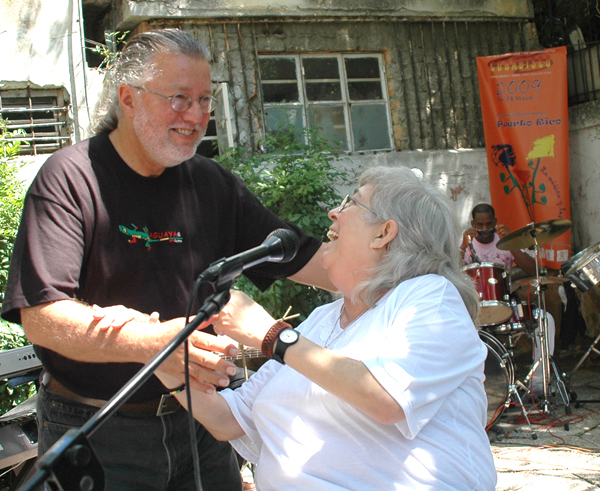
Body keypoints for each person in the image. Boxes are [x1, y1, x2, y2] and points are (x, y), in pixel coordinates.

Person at [1, 29, 333, 491]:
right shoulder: (72, 179)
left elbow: (312, 260)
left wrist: (402, 262)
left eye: (205, 99)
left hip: (202, 422)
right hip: (99, 426)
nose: (196, 116)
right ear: (128, 98)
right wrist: (153, 341)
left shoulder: (210, 184)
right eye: (179, 99)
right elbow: (40, 317)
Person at [155, 166, 498, 490]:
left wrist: (271, 335)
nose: (334, 212)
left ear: (384, 233)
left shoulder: (430, 296)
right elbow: (228, 420)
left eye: (351, 201)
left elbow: (386, 398)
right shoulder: (324, 319)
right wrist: (156, 350)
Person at [460, 203, 555, 397]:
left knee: (545, 320)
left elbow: (532, 270)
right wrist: (462, 247)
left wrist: (513, 244)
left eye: (489, 224)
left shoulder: (507, 242)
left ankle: (538, 384)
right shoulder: (467, 247)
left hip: (507, 305)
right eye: (480, 225)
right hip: (477, 310)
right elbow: (451, 272)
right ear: (472, 224)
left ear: (495, 222)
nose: (485, 229)